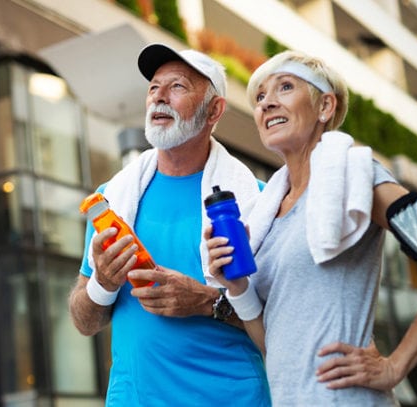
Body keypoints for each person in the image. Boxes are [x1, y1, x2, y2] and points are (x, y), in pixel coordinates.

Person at [205, 50, 417, 406]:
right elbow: (272, 346)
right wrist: (239, 287)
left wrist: (394, 366)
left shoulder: (357, 178)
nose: (267, 103)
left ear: (325, 107)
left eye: (284, 87)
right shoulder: (266, 216)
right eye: (260, 97)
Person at [68, 43, 271, 406]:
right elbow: (84, 322)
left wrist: (207, 302)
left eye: (177, 86)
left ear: (214, 110)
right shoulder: (111, 201)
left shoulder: (257, 202)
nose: (159, 97)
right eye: (153, 88)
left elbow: (283, 327)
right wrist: (103, 281)